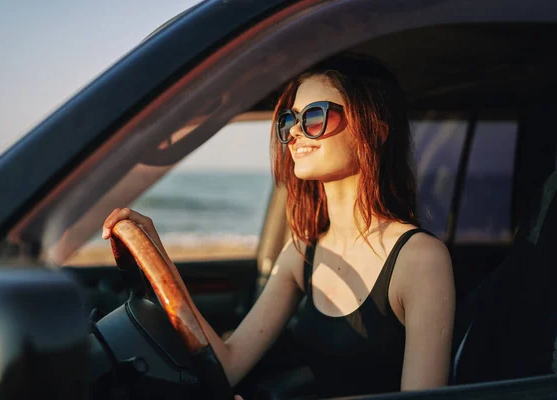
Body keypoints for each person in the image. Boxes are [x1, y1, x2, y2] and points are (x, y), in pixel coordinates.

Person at [102, 54, 455, 398]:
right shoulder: (302, 253)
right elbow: (229, 364)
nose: (295, 134)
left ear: (374, 132)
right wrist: (158, 260)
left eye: (314, 117)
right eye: (290, 121)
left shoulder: (420, 259)